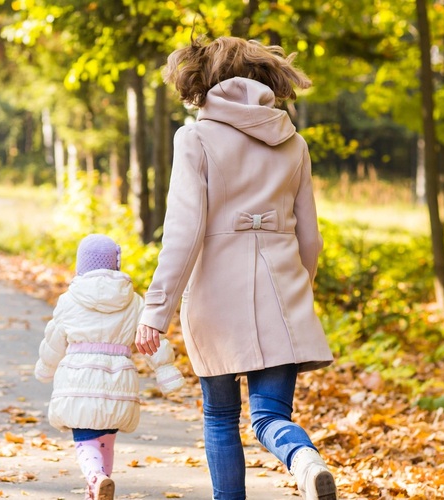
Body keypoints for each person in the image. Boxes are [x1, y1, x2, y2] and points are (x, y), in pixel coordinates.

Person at [135, 37, 337, 500]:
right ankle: (303, 459)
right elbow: (311, 238)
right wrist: (298, 291)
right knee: (269, 417)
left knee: (221, 417)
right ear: (266, 80)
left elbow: (183, 232)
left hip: (215, 300)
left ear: (202, 81)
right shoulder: (294, 143)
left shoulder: (195, 138)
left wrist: (156, 311)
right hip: (282, 293)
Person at [36, 234, 185, 500]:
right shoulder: (134, 301)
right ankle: (97, 490)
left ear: (81, 265)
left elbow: (54, 339)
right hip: (119, 382)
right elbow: (153, 340)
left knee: (84, 437)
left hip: (78, 380)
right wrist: (165, 371)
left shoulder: (70, 300)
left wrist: (46, 367)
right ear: (115, 264)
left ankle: (95, 478)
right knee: (105, 437)